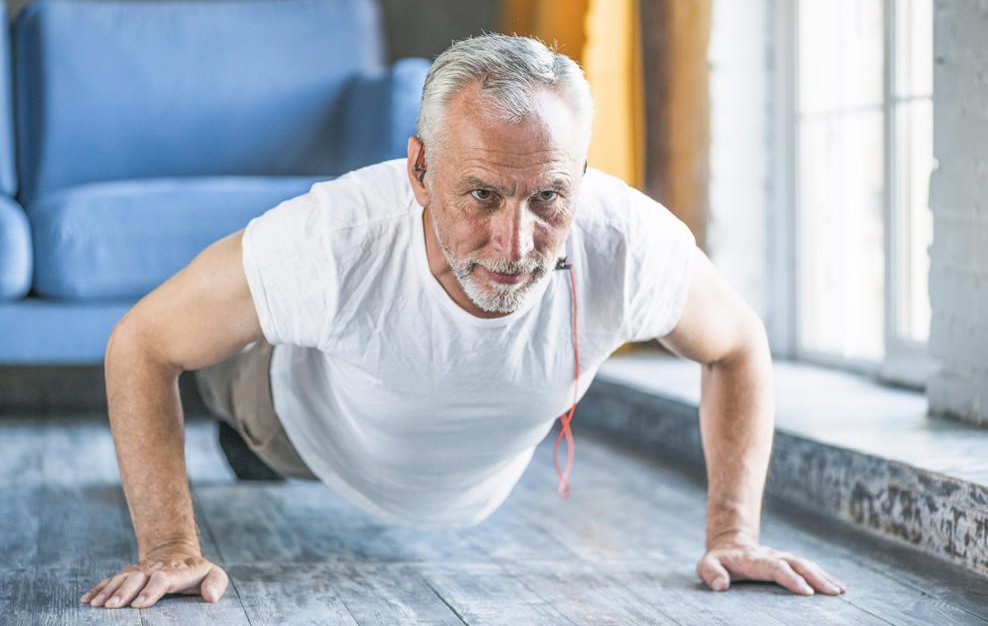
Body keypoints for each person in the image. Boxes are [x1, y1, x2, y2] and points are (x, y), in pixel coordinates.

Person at [81, 34, 845, 610]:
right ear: (418, 171)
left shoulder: (627, 240)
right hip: (295, 426)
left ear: (580, 177)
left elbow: (739, 344)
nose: (516, 247)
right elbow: (141, 343)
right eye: (481, 195)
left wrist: (733, 534)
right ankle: (237, 412)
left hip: (463, 480)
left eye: (547, 198)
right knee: (227, 375)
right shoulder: (330, 239)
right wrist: (171, 545)